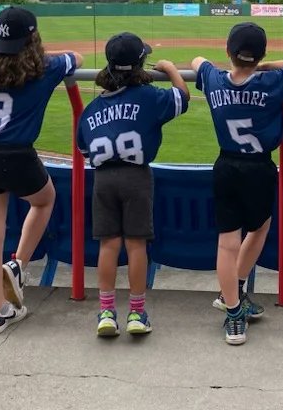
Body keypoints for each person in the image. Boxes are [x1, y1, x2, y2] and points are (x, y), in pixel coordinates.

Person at [0, 7, 83, 335]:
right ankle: (19, 263)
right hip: (17, 157)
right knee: (44, 200)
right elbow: (75, 58)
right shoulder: (45, 67)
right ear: (32, 37)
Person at [191, 23, 283, 346]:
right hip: (259, 167)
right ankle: (235, 297)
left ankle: (233, 306)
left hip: (226, 165)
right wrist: (264, 66)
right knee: (259, 227)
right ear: (261, 56)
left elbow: (198, 61)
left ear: (228, 52)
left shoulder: (214, 79)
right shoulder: (272, 81)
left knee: (227, 242)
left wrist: (227, 66)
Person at [76, 33, 189, 338]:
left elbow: (83, 149)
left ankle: (106, 312)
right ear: (142, 64)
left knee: (108, 244)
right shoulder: (150, 96)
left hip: (103, 180)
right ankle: (137, 312)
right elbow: (182, 97)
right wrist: (170, 69)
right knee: (136, 244)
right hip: (136, 177)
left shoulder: (91, 108)